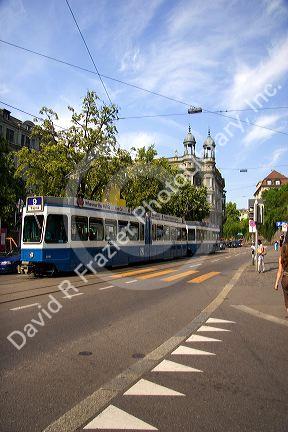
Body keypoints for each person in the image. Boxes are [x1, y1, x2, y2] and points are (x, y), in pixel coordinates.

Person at [274, 233, 288, 316]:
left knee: (286, 297)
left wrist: (276, 283)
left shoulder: (281, 258)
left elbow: (279, 271)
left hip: (285, 278)